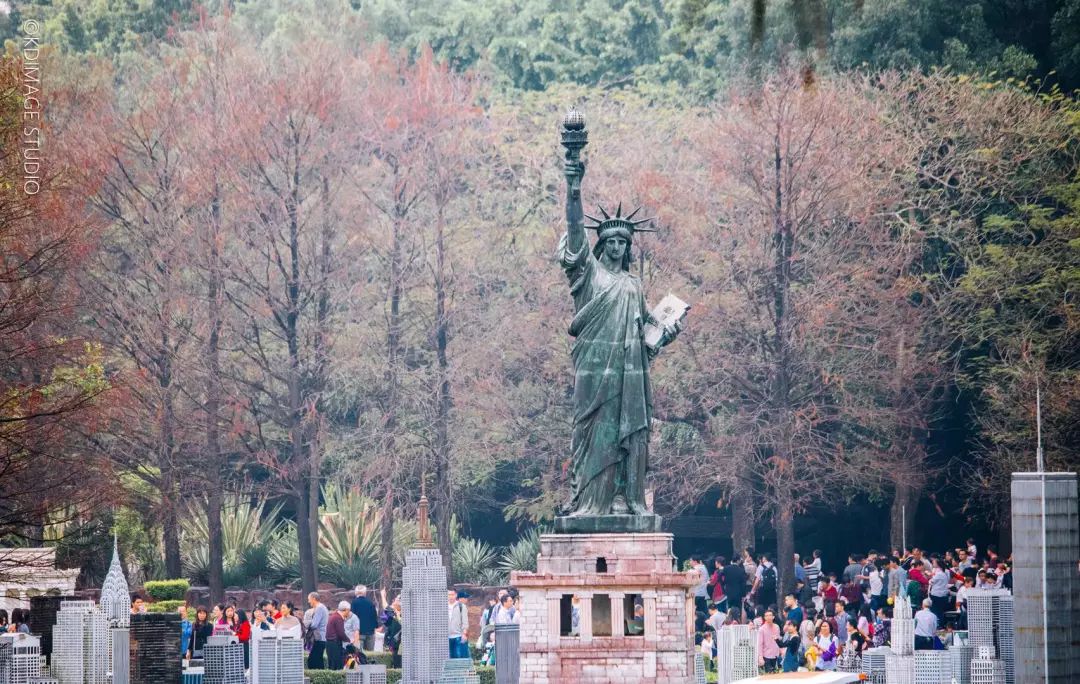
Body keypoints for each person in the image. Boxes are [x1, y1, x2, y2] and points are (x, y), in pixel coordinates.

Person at [351, 585, 379, 652]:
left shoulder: (354, 603)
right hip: (370, 632)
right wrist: (375, 627)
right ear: (365, 592)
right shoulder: (370, 603)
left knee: (359, 655)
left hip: (359, 632)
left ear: (356, 592)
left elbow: (352, 617)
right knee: (370, 655)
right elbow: (374, 616)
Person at [307, 592, 329, 669]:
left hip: (319, 638)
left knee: (312, 660)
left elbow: (314, 624)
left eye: (309, 599)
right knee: (318, 660)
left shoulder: (319, 608)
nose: (308, 601)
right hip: (322, 637)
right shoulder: (322, 607)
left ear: (313, 599)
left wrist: (307, 624)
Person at [326, 601, 349, 670]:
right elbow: (341, 633)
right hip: (334, 644)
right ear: (346, 610)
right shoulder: (338, 618)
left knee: (332, 665)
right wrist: (348, 640)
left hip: (330, 643)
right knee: (337, 666)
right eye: (349, 610)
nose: (349, 612)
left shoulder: (334, 615)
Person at [448, 590, 469, 658]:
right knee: (449, 658)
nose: (450, 596)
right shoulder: (443, 607)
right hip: (447, 637)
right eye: (449, 595)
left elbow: (465, 622)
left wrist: (464, 634)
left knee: (459, 658)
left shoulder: (461, 606)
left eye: (452, 594)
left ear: (456, 595)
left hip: (458, 636)